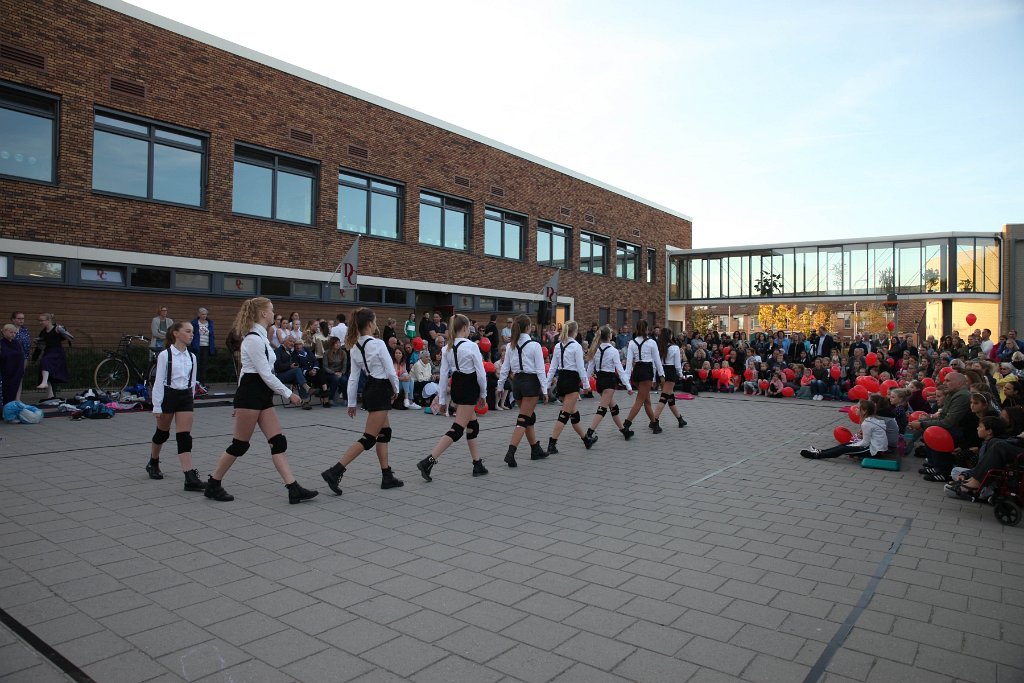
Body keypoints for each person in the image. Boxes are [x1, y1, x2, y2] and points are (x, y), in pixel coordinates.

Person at [204, 297, 318, 504]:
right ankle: (213, 483)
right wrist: (288, 393)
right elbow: (264, 374)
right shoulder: (253, 340)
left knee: (278, 441)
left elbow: (250, 372)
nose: (274, 314)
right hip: (251, 393)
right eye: (271, 310)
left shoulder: (261, 337)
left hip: (260, 393)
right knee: (240, 445)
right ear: (263, 314)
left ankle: (293, 488)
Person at [321, 308, 404, 494]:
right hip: (381, 388)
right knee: (369, 438)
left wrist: (351, 403)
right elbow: (391, 372)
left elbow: (353, 378)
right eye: (374, 321)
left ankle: (386, 475)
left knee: (385, 432)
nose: (376, 324)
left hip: (370, 389)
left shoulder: (354, 347)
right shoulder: (379, 344)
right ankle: (335, 471)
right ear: (369, 324)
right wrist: (396, 389)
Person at [417, 314, 489, 481]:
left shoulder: (446, 348)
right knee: (457, 429)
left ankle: (477, 463)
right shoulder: (471, 346)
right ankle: (428, 461)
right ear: (464, 328)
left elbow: (443, 376)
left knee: (473, 425)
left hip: (457, 384)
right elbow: (481, 374)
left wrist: (442, 400)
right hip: (469, 386)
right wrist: (484, 394)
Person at [146, 322, 206, 492]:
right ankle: (154, 461)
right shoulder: (165, 355)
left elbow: (193, 380)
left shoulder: (192, 357)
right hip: (168, 395)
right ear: (176, 334)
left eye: (192, 332)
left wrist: (191, 398)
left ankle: (189, 477)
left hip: (185, 396)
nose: (191, 334)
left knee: (184, 437)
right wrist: (157, 405)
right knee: (162, 433)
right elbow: (158, 381)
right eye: (187, 331)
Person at [496, 314, 549, 467]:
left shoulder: (511, 345)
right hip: (530, 382)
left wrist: (500, 386)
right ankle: (511, 452)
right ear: (528, 327)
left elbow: (505, 368)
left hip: (517, 382)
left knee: (528, 417)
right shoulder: (534, 345)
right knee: (523, 419)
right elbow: (540, 370)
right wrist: (545, 390)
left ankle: (535, 449)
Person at [544, 321, 595, 453]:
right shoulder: (576, 346)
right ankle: (552, 443)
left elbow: (552, 368)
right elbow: (581, 368)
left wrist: (546, 384)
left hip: (562, 380)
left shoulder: (558, 346)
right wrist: (587, 385)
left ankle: (586, 440)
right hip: (572, 380)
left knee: (573, 413)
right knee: (565, 413)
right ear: (575, 331)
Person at [584, 324, 633, 442]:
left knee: (614, 407)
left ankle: (624, 430)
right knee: (602, 409)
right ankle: (589, 433)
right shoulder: (613, 351)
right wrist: (628, 386)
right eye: (611, 333)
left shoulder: (596, 350)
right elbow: (620, 371)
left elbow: (590, 369)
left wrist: (586, 383)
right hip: (608, 382)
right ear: (609, 336)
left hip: (599, 382)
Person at [800, 399, 888, 459]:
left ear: (864, 411)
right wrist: (851, 444)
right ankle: (820, 451)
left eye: (857, 408)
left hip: (874, 451)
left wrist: (851, 445)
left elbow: (865, 442)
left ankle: (817, 455)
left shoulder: (867, 423)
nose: (855, 409)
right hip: (876, 448)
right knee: (845, 444)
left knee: (844, 449)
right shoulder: (871, 420)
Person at [623, 320, 665, 435]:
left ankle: (655, 424)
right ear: (647, 329)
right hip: (646, 372)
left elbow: (629, 363)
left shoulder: (632, 343)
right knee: (640, 401)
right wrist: (662, 376)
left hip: (637, 372)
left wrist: (626, 380)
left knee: (647, 401)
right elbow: (657, 361)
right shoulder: (651, 342)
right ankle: (626, 425)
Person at [652, 328, 687, 428]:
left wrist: (655, 378)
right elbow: (677, 364)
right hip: (670, 371)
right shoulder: (674, 347)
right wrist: (680, 374)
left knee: (670, 398)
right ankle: (654, 420)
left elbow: (655, 363)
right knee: (663, 398)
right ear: (670, 336)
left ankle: (680, 419)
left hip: (661, 371)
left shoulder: (658, 346)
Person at [33, 313, 73, 399]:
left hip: (56, 352)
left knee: (45, 361)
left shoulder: (57, 329)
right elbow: (43, 344)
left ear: (48, 321)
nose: (40, 322)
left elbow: (70, 338)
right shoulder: (43, 331)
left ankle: (44, 383)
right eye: (39, 321)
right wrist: (39, 340)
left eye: (42, 321)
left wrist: (63, 330)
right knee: (45, 369)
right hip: (48, 351)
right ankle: (50, 394)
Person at [189, 308, 215, 391]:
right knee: (197, 364)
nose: (204, 316)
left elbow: (212, 335)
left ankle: (203, 383)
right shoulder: (194, 323)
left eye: (205, 314)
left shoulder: (210, 323)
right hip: (197, 346)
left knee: (204, 364)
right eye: (203, 314)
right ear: (199, 314)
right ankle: (196, 382)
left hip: (206, 346)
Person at [1, 324, 26, 408]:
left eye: (15, 333)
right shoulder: (2, 343)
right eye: (11, 332)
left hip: (16, 370)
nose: (13, 334)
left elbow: (21, 355)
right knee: (6, 390)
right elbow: (4, 355)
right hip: (6, 371)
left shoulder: (16, 343)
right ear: (4, 331)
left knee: (13, 389)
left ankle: (11, 407)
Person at [10, 312, 31, 402]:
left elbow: (27, 343)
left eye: (22, 318)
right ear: (13, 319)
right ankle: (9, 397)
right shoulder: (9, 329)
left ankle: (17, 398)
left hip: (23, 357)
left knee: (20, 377)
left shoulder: (24, 329)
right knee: (10, 376)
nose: (21, 320)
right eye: (19, 318)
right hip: (11, 357)